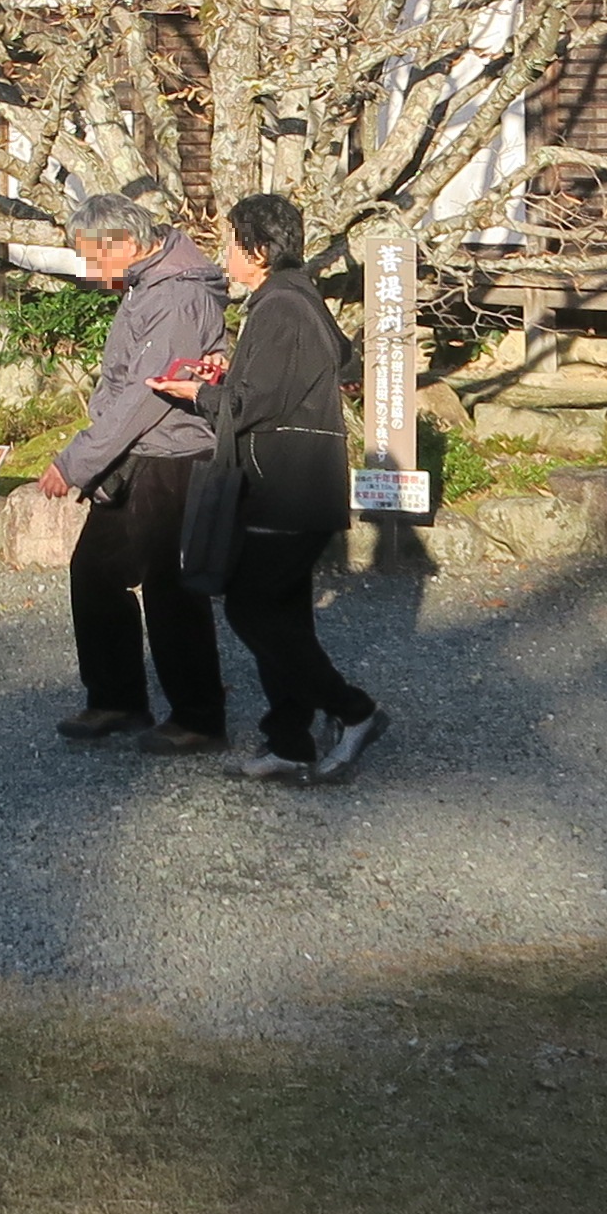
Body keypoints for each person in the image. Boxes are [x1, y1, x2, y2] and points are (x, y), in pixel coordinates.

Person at [194, 192, 385, 785]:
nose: (225, 255)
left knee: (252, 609)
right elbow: (335, 362)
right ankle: (290, 741)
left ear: (256, 248)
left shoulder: (279, 304)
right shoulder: (299, 295)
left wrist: (195, 395)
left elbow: (254, 404)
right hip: (300, 482)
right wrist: (228, 377)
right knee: (285, 614)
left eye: (231, 243)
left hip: (283, 482)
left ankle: (354, 710)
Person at [33, 193, 227, 751]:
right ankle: (116, 700)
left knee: (171, 590)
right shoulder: (153, 284)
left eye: (95, 258)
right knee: (95, 572)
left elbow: (146, 396)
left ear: (124, 242)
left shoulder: (178, 296)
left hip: (173, 457)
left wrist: (74, 462)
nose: (93, 272)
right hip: (139, 454)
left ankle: (198, 716)